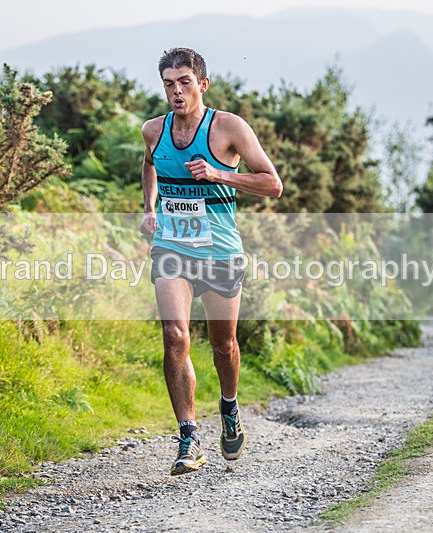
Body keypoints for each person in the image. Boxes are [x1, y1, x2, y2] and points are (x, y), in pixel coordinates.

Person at [139, 47, 283, 476]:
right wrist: (150, 207)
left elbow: (272, 184)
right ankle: (187, 438)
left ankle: (229, 407)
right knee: (174, 336)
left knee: (224, 346)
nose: (177, 91)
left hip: (220, 252)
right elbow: (149, 165)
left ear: (202, 84)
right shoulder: (153, 129)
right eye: (169, 84)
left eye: (185, 82)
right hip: (172, 248)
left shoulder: (228, 128)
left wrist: (220, 174)